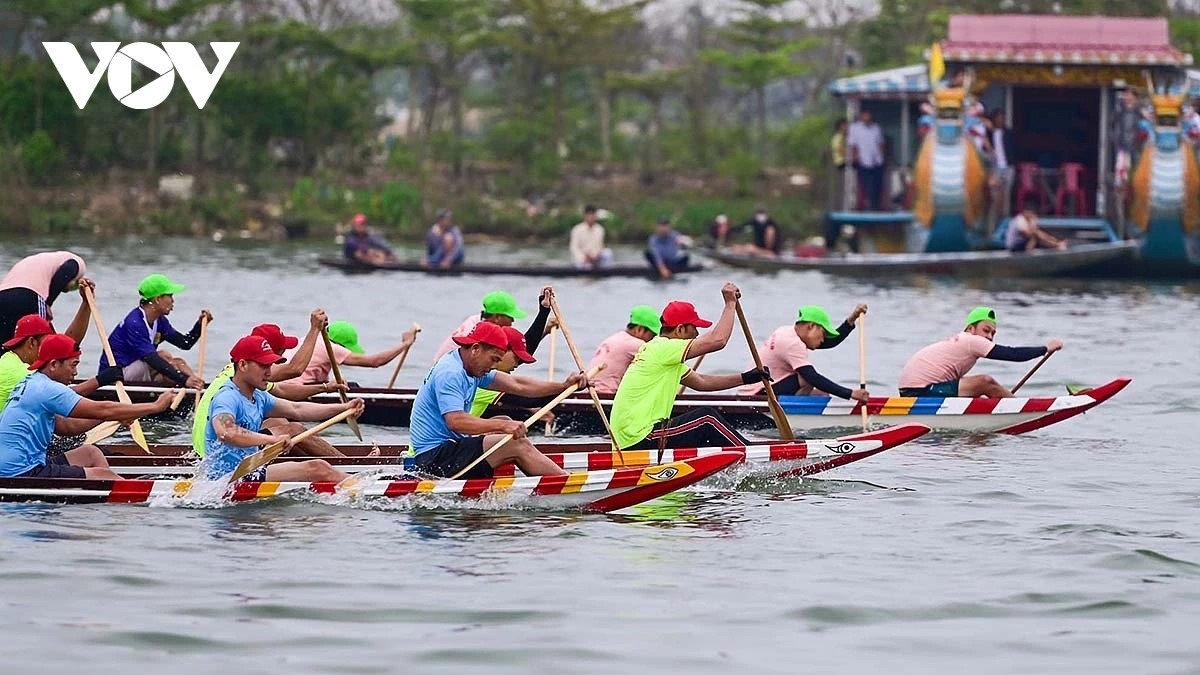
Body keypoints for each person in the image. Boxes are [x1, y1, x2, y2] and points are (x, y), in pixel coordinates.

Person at [408, 321, 587, 479]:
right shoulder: (451, 372)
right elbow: (456, 421)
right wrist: (502, 428)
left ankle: (541, 472)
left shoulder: (471, 366)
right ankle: (564, 480)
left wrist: (563, 386)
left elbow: (519, 385)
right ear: (476, 349)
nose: (494, 367)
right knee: (512, 439)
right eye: (493, 359)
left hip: (449, 448)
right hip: (433, 460)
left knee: (505, 420)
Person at [609, 283, 770, 450]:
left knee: (703, 426)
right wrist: (730, 304)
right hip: (639, 437)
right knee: (707, 418)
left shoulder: (661, 354)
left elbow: (701, 382)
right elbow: (718, 340)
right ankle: (756, 457)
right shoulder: (663, 348)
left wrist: (746, 378)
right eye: (694, 328)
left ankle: (740, 456)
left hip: (630, 439)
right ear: (680, 329)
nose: (697, 334)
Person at [0, 333, 175, 479]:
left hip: (24, 463)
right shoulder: (47, 389)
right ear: (53, 364)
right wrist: (155, 406)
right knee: (103, 476)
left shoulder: (34, 382)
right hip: (19, 471)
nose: (75, 372)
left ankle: (105, 503)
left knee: (91, 453)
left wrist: (119, 417)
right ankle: (132, 499)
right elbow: (103, 409)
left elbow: (67, 426)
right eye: (73, 365)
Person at [200, 335, 365, 482]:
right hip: (225, 479)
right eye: (263, 366)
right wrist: (271, 440)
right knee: (318, 468)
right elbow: (226, 432)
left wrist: (344, 408)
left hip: (249, 470)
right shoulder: (227, 397)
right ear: (242, 365)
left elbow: (297, 409)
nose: (269, 372)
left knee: (313, 462)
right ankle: (365, 489)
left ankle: (357, 485)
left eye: (270, 366)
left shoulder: (258, 396)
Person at [192, 310, 354, 459]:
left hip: (213, 444)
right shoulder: (241, 380)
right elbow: (295, 369)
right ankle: (348, 465)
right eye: (281, 350)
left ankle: (315, 464)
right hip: (213, 452)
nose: (273, 364)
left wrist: (326, 389)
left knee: (279, 422)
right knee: (293, 429)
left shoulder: (246, 379)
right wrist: (314, 330)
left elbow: (287, 396)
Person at [0, 314, 125, 460]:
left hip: (24, 439)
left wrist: (85, 304)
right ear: (31, 342)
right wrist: (100, 381)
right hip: (14, 449)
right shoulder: (16, 371)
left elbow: (68, 347)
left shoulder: (10, 359)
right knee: (94, 452)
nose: (48, 350)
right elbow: (60, 397)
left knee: (86, 445)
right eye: (45, 344)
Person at [897, 306, 1063, 398]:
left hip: (914, 391)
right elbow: (1012, 354)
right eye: (986, 330)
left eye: (993, 333)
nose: (989, 336)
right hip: (921, 393)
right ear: (970, 328)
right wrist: (1045, 349)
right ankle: (1018, 408)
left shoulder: (962, 341)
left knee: (973, 386)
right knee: (985, 382)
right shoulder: (970, 340)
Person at [737, 304, 869, 402]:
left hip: (761, 390)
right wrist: (851, 393)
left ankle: (801, 412)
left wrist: (852, 319)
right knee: (807, 379)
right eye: (823, 333)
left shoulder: (786, 331)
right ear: (811, 326)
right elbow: (812, 377)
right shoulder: (792, 343)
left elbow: (831, 342)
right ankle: (794, 414)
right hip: (756, 396)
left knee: (822, 394)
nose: (823, 339)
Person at [99, 274, 209, 388]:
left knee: (173, 361)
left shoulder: (159, 321)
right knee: (167, 360)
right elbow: (152, 359)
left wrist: (200, 325)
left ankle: (195, 387)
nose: (173, 301)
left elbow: (185, 343)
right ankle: (194, 387)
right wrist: (184, 379)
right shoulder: (135, 323)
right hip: (114, 377)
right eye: (170, 296)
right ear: (157, 299)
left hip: (134, 369)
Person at [431, 288, 555, 364]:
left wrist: (543, 324)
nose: (513, 321)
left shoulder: (479, 322)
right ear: (497, 317)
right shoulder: (479, 333)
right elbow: (519, 354)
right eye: (510, 317)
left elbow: (520, 350)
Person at [279, 320, 418, 386]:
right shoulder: (328, 347)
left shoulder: (311, 340)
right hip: (294, 390)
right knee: (352, 388)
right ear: (338, 343)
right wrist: (405, 344)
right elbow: (375, 362)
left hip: (284, 385)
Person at [0, 251, 91, 345]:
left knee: (6, 344)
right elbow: (68, 270)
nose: (67, 291)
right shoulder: (78, 262)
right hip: (29, 296)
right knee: (44, 345)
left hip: (2, 296)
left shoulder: (37, 261)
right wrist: (49, 303)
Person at [587, 305, 661, 395]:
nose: (651, 340)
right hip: (603, 395)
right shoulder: (636, 344)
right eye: (651, 336)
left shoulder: (615, 338)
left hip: (587, 391)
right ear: (639, 329)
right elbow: (660, 361)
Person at [848, 109, 886, 210]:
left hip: (877, 161)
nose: (867, 119)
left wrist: (882, 158)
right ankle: (869, 207)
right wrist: (856, 157)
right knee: (867, 185)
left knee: (877, 185)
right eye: (865, 116)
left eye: (869, 117)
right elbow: (852, 145)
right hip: (863, 161)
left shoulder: (876, 128)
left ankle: (875, 207)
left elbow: (880, 144)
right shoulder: (855, 128)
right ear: (861, 117)